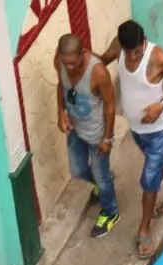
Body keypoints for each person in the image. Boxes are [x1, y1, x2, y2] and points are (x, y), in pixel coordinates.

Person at [99, 20, 163, 259]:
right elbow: (101, 61)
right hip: (137, 129)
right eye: (129, 52)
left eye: (137, 51)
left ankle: (144, 229)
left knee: (149, 178)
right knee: (158, 163)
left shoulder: (158, 57)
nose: (132, 56)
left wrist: (161, 105)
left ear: (144, 42)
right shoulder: (119, 47)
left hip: (159, 128)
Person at [55, 34, 118, 238]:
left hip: (97, 133)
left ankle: (110, 212)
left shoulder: (97, 72)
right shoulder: (60, 63)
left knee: (101, 176)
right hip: (75, 128)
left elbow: (110, 104)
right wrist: (61, 111)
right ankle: (104, 184)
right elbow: (61, 85)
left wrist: (107, 139)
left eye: (74, 63)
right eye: (66, 63)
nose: (70, 68)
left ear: (83, 54)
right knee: (78, 170)